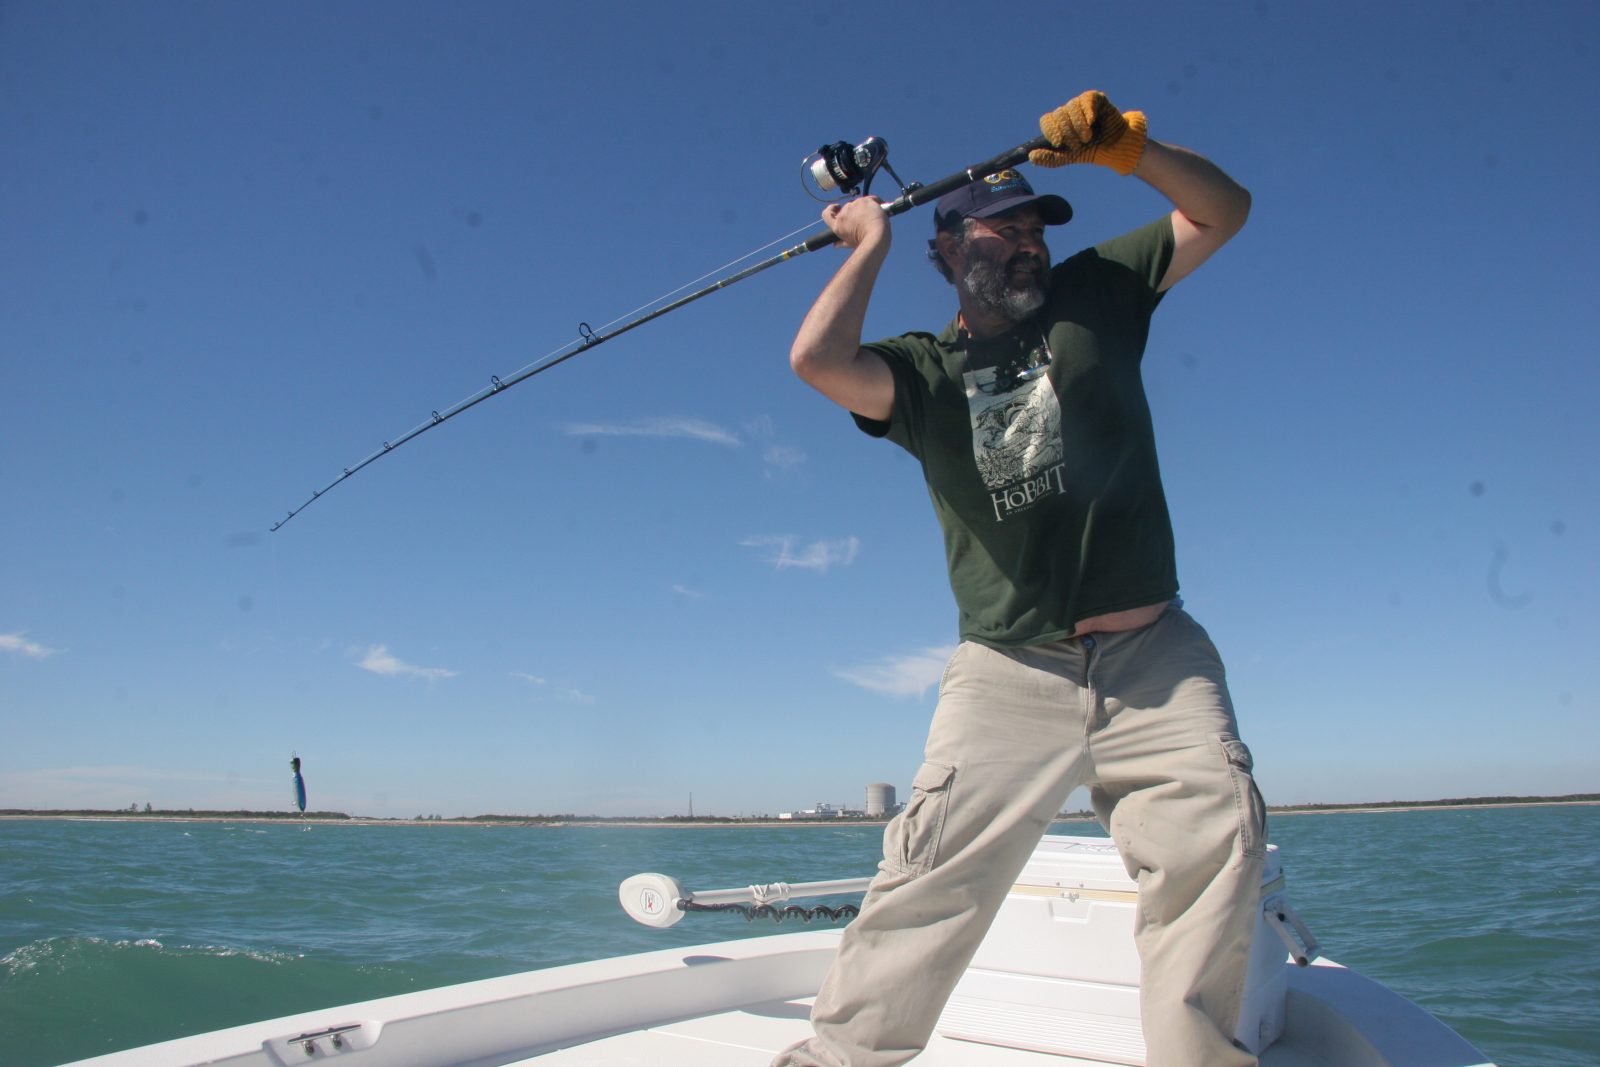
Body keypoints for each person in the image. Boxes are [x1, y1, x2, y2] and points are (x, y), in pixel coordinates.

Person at [772, 91, 1267, 1067]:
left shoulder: (1103, 291)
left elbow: (1223, 210)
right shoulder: (919, 373)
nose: (1029, 245)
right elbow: (817, 359)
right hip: (1008, 669)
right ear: (949, 249)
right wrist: (865, 240)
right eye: (1004, 231)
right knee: (928, 878)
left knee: (1214, 854)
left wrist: (1135, 149)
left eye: (1036, 229)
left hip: (1153, 656)